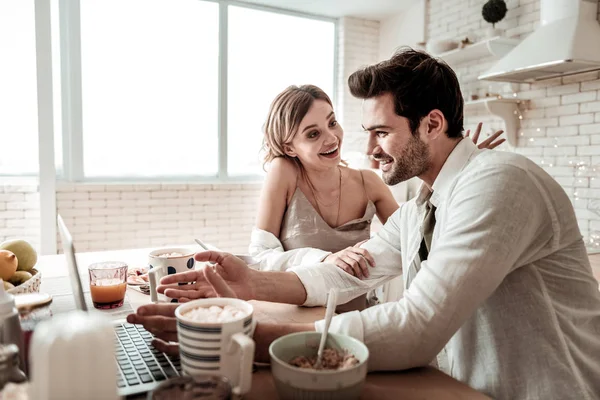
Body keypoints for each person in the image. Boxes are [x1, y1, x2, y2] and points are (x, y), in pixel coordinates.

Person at [128, 48, 600, 400]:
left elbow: (417, 327)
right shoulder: (422, 206)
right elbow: (344, 270)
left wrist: (252, 335)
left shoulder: (500, 181)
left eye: (381, 132)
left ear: (432, 125)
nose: (368, 147)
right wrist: (252, 281)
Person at [248, 84, 504, 310]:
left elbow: (415, 238)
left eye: (332, 122)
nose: (332, 137)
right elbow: (260, 257)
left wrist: (455, 171)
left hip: (358, 317)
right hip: (294, 315)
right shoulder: (284, 172)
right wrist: (323, 258)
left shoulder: (368, 182)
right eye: (313, 134)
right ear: (288, 147)